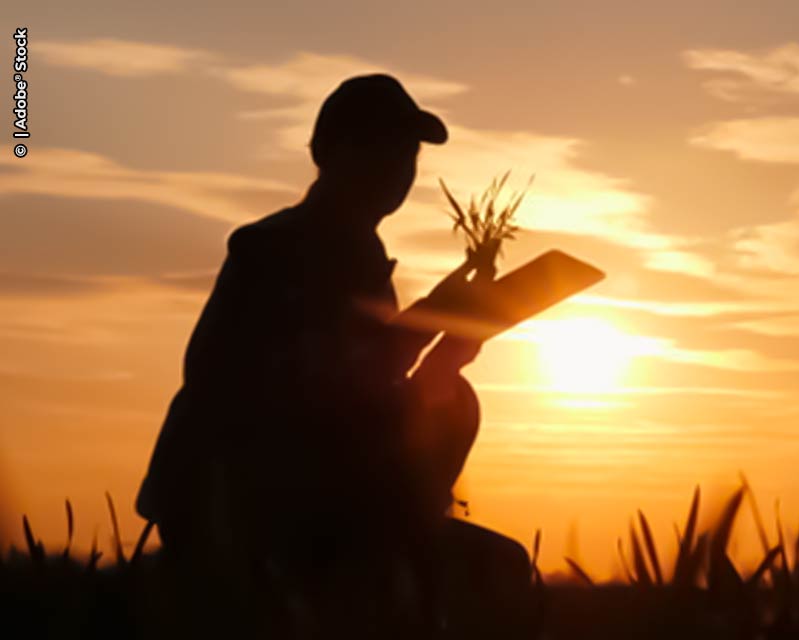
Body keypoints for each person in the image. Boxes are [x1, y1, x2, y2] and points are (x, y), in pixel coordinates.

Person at [134, 74, 535, 637]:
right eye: (384, 147)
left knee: (497, 567)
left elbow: (365, 392)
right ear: (331, 152)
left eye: (409, 153)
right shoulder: (276, 249)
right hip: (252, 512)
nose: (400, 167)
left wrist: (449, 354)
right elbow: (313, 386)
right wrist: (433, 318)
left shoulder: (355, 254)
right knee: (495, 574)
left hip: (315, 506)